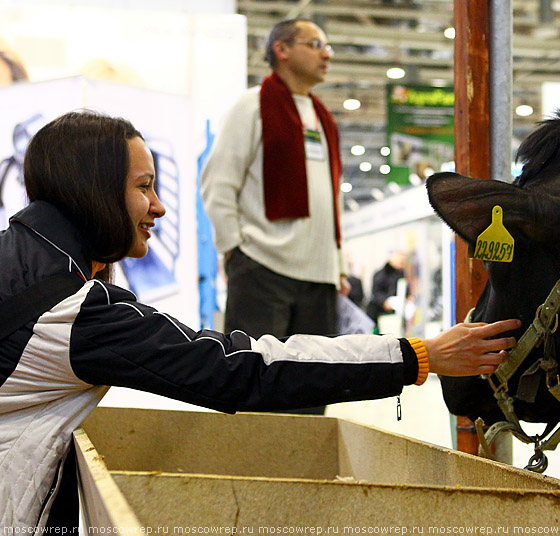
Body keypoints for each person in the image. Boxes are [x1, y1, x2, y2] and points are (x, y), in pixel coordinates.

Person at [0, 110, 520, 530]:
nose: (158, 207)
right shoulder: (70, 309)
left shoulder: (26, 261)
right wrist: (420, 354)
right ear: (94, 192)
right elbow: (244, 367)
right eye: (143, 187)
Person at [201, 19, 348, 415]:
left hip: (319, 277)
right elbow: (218, 183)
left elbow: (329, 201)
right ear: (281, 49)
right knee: (252, 386)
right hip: (263, 268)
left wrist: (339, 265)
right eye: (316, 43)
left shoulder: (322, 118)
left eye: (327, 45)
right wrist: (233, 248)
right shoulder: (251, 106)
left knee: (314, 391)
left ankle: (305, 474)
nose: (327, 53)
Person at [367, 249, 409, 323]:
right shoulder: (380, 274)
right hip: (380, 313)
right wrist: (384, 302)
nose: (402, 261)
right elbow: (376, 293)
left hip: (398, 314)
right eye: (400, 258)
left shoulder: (403, 274)